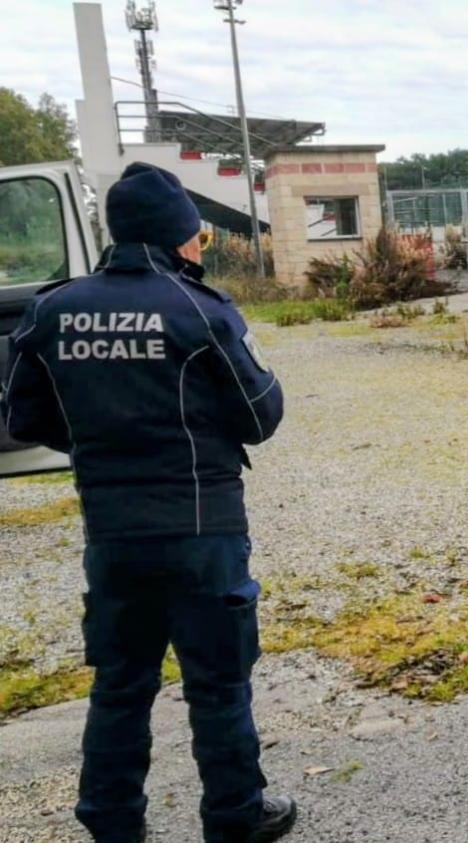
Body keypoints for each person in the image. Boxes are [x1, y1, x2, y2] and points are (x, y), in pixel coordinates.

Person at [0, 162, 295, 843]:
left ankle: (111, 822)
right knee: (218, 685)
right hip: (204, 530)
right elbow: (262, 412)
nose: (199, 246)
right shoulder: (201, 309)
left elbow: (22, 415)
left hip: (114, 533)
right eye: (195, 235)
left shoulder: (52, 310)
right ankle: (235, 815)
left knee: (121, 684)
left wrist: (96, 440)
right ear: (177, 238)